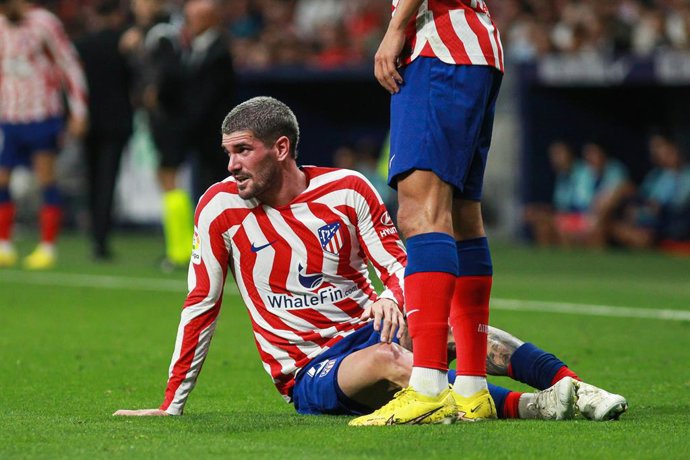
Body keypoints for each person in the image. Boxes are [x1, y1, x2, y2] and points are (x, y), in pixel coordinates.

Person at [113, 97, 627, 424]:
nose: (231, 165)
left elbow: (400, 263)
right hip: (310, 370)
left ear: (281, 148)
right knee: (388, 362)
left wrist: (390, 295)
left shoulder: (348, 190)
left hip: (369, 328)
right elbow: (201, 303)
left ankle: (575, 386)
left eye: (242, 151)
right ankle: (531, 408)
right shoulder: (219, 208)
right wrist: (170, 404)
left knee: (467, 333)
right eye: (228, 153)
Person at [361, 0, 505, 424]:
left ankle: (426, 385)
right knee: (461, 218)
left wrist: (394, 28)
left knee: (420, 213)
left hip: (437, 47)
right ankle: (473, 389)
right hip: (476, 49)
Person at [0, 0, 88, 269]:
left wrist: (79, 110)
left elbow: (69, 65)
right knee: (2, 179)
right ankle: (4, 244)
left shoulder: (45, 23)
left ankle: (47, 247)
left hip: (42, 114)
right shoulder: (2, 24)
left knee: (45, 178)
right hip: (9, 115)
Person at [120, 0, 192, 269]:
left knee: (169, 178)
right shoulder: (157, 32)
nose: (138, 6)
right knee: (166, 177)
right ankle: (180, 248)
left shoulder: (162, 35)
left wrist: (154, 93)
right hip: (165, 117)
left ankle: (181, 250)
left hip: (168, 117)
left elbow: (170, 72)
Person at [75, 0, 133, 260]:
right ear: (116, 16)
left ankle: (94, 237)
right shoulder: (124, 43)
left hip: (89, 122)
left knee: (93, 180)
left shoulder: (83, 45)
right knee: (108, 180)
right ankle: (102, 239)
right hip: (117, 122)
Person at [181, 0, 235, 203]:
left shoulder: (219, 51)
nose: (189, 23)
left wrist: (190, 120)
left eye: (193, 18)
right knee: (204, 182)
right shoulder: (197, 47)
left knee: (216, 181)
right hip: (201, 132)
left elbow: (210, 95)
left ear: (208, 19)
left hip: (214, 131)